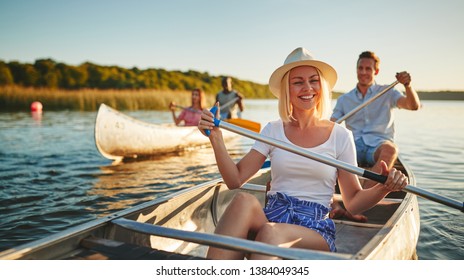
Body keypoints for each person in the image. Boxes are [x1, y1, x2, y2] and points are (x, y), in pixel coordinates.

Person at [198, 47, 408, 260]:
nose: (307, 88)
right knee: (242, 200)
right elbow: (234, 180)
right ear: (287, 89)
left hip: (314, 228)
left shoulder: (341, 135)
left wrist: (384, 188)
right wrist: (215, 137)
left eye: (313, 80)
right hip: (274, 215)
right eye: (298, 82)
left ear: (321, 86)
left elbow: (353, 201)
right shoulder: (273, 130)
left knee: (271, 232)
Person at [330, 51, 420, 221]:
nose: (363, 72)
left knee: (391, 149)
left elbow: (413, 106)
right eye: (360, 68)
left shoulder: (388, 92)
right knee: (328, 151)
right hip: (353, 144)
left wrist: (407, 85)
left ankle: (359, 202)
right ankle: (334, 205)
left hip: (378, 145)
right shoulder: (344, 99)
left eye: (368, 69)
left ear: (375, 72)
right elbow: (332, 125)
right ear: (356, 70)